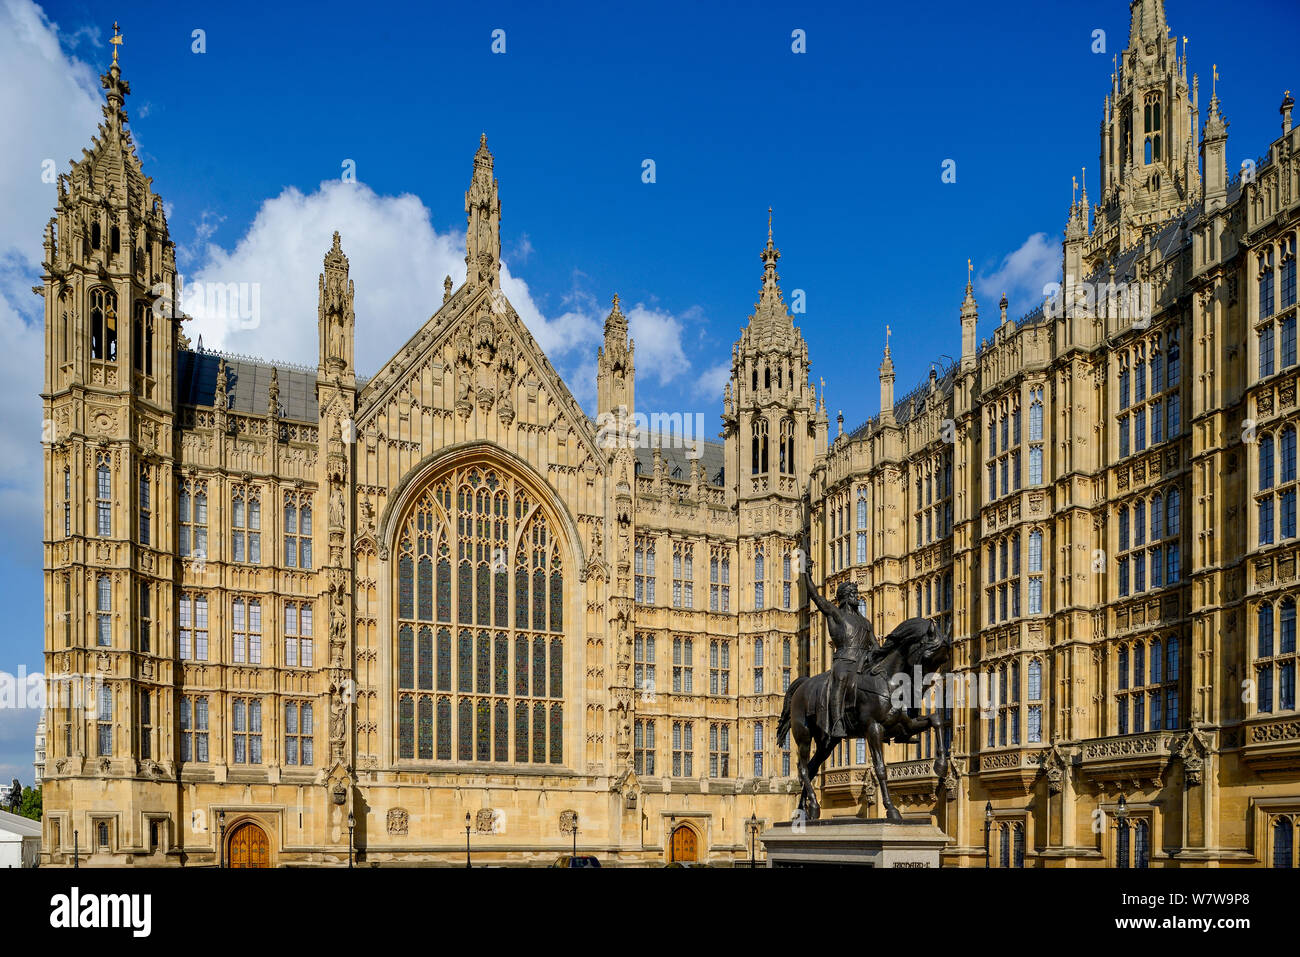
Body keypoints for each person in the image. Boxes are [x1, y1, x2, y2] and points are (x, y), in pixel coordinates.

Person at [802, 541, 877, 737]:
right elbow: (815, 596)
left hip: (863, 663)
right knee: (840, 678)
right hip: (844, 661)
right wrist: (805, 572)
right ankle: (836, 723)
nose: (857, 596)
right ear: (844, 597)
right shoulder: (835, 614)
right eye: (853, 594)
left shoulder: (865, 622)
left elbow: (876, 647)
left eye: (857, 593)